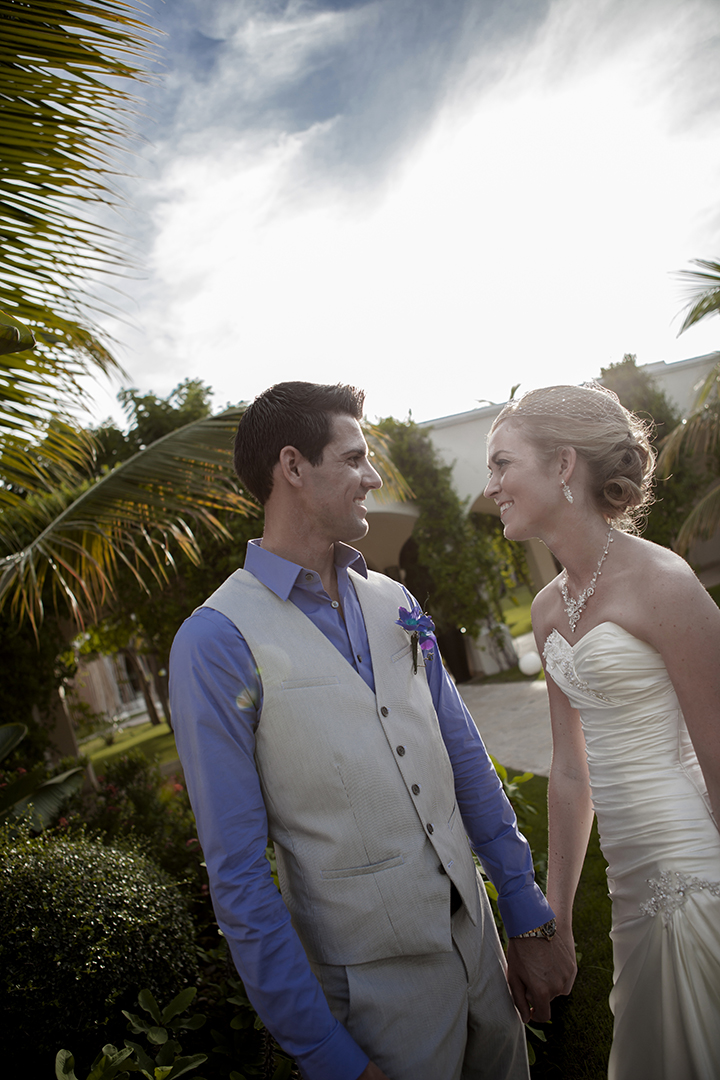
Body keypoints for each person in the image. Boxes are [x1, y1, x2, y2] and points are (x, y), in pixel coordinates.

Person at [170, 381, 574, 1080]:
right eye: (354, 458)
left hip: (482, 955)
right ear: (292, 468)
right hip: (369, 1000)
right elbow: (237, 876)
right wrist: (327, 1055)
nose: (373, 476)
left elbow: (465, 759)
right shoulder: (215, 641)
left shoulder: (395, 601)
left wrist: (525, 912)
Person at [484, 383, 720, 1080]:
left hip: (697, 872)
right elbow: (570, 772)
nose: (491, 484)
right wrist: (555, 920)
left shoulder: (664, 582)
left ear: (562, 465)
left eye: (502, 464)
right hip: (628, 887)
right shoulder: (548, 608)